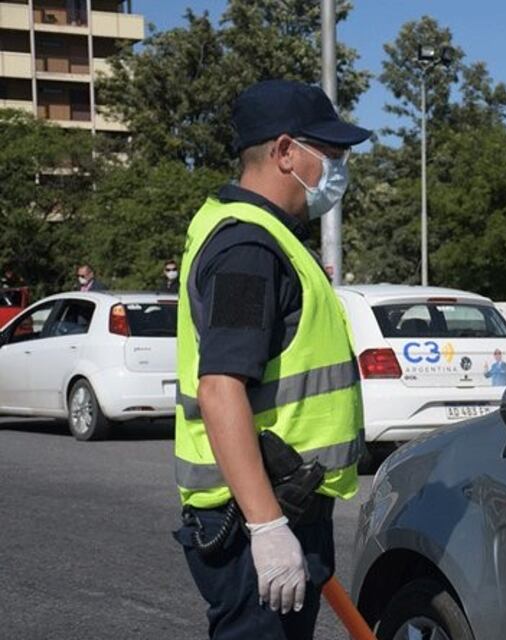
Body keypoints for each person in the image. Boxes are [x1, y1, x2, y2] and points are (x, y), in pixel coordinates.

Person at [172, 79, 372, 639]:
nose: (338, 170)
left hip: (281, 500)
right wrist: (267, 527)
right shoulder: (248, 249)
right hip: (252, 516)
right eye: (330, 155)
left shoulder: (264, 237)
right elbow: (220, 387)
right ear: (286, 152)